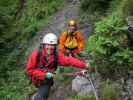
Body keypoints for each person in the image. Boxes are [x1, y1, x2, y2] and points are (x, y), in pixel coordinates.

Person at [25, 33, 89, 100]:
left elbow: (69, 61)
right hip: (36, 79)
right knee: (41, 94)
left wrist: (84, 65)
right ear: (44, 45)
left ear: (55, 46)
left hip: (47, 81)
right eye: (48, 45)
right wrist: (44, 75)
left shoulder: (56, 56)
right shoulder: (36, 54)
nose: (50, 47)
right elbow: (29, 70)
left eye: (52, 45)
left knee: (41, 97)